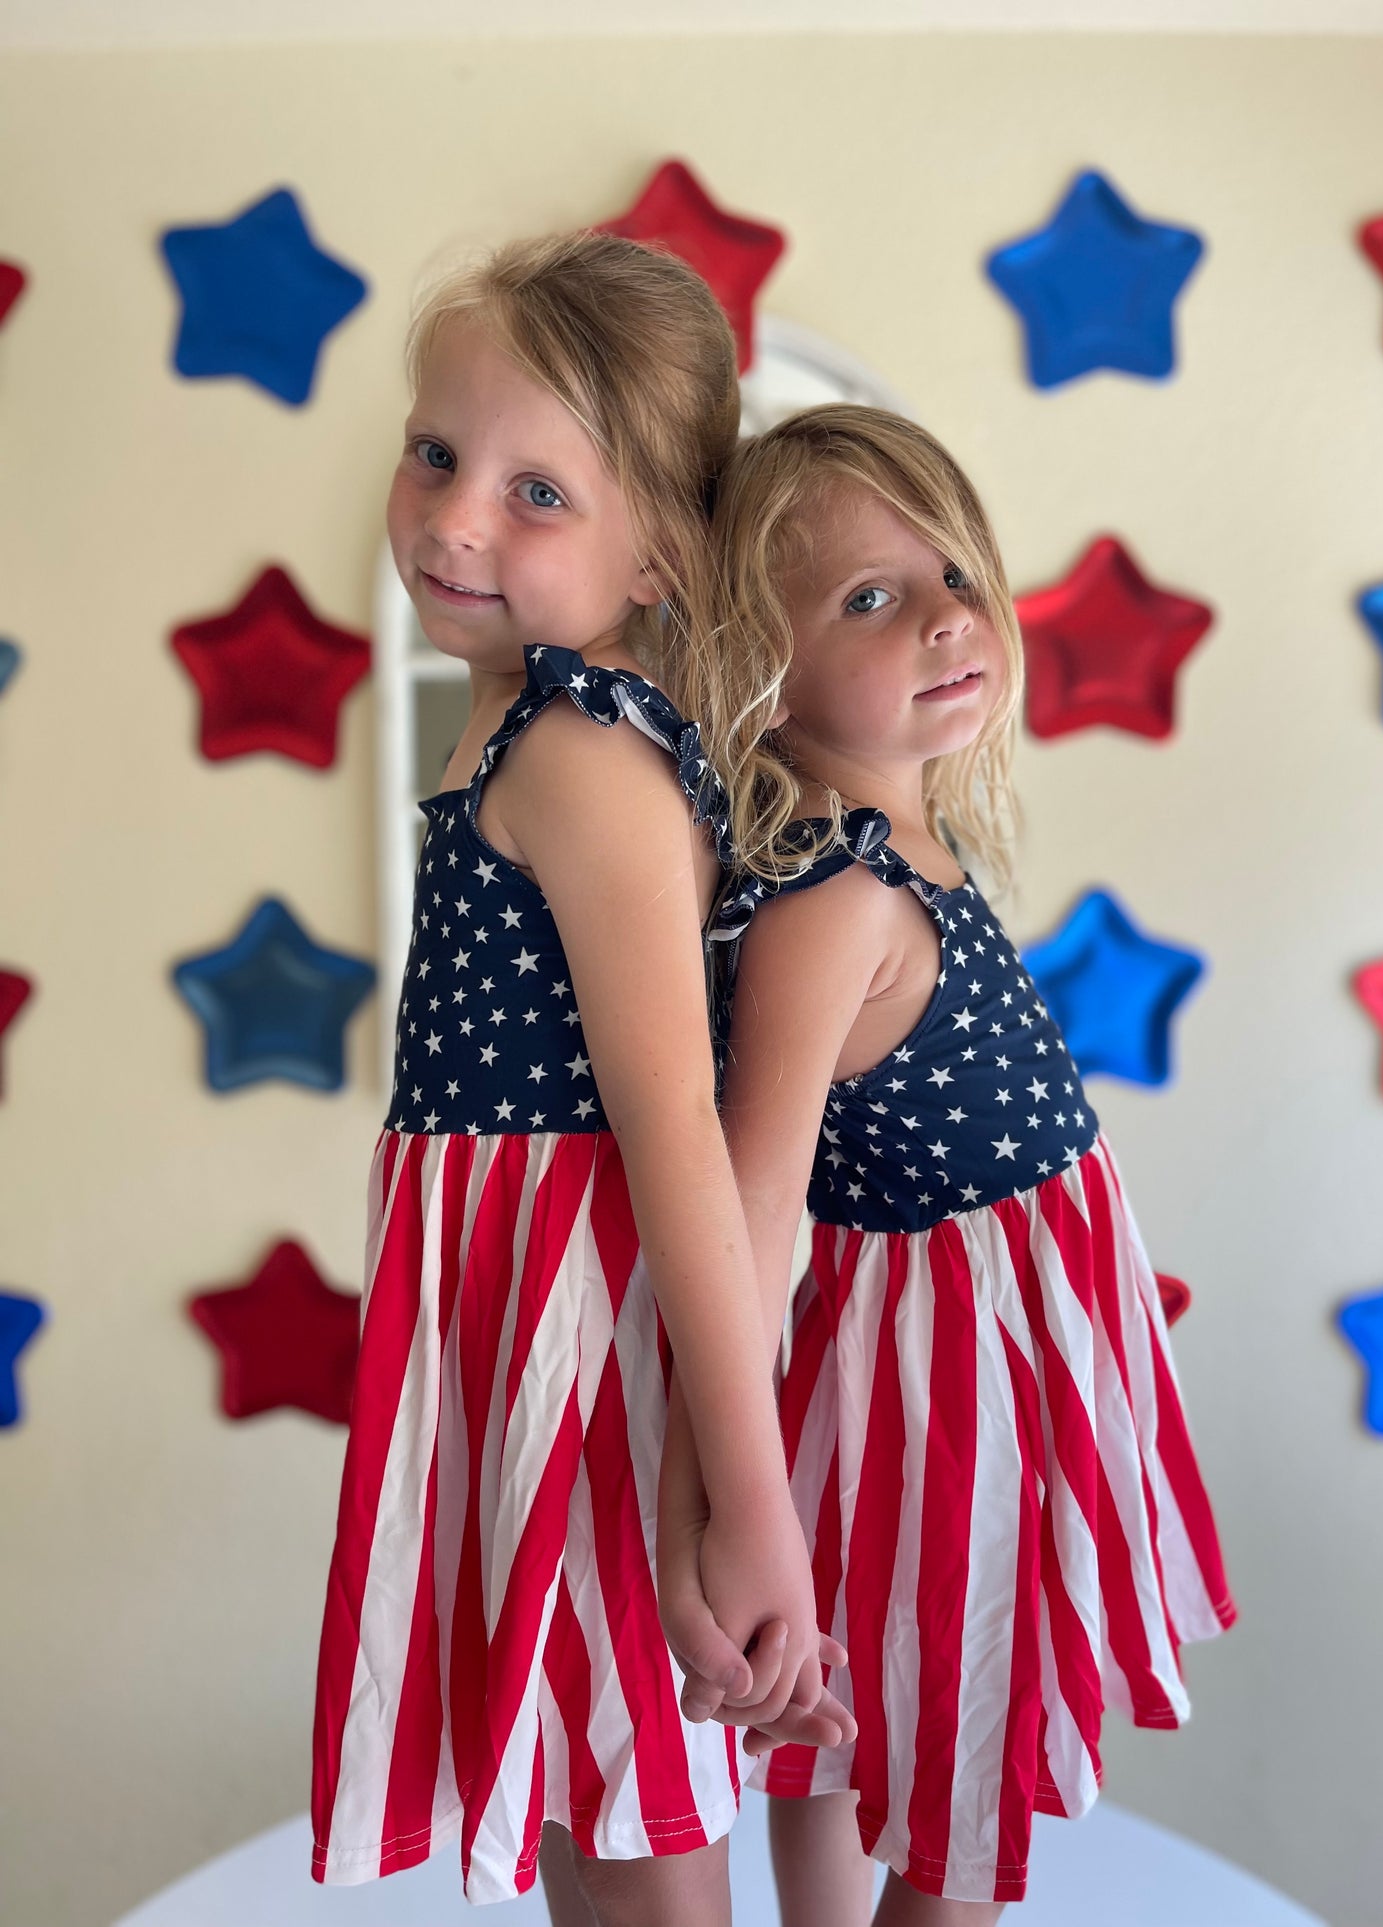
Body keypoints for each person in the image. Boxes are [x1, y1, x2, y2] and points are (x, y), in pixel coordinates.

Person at [310, 233, 850, 1927]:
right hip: (513, 1323)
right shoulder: (518, 730)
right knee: (579, 1780)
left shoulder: (584, 755)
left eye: (539, 491)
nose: (456, 518)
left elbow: (675, 1130)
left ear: (658, 557)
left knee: (621, 1805)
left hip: (585, 1348)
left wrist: (748, 1506)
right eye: (436, 452)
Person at [664, 405, 1235, 1923]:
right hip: (941, 1399)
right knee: (947, 1758)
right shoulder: (833, 906)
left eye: (948, 576)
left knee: (875, 1748)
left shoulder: (913, 850)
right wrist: (731, 1501)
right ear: (759, 677)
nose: (941, 619)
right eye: (868, 599)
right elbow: (753, 1213)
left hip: (977, 1360)